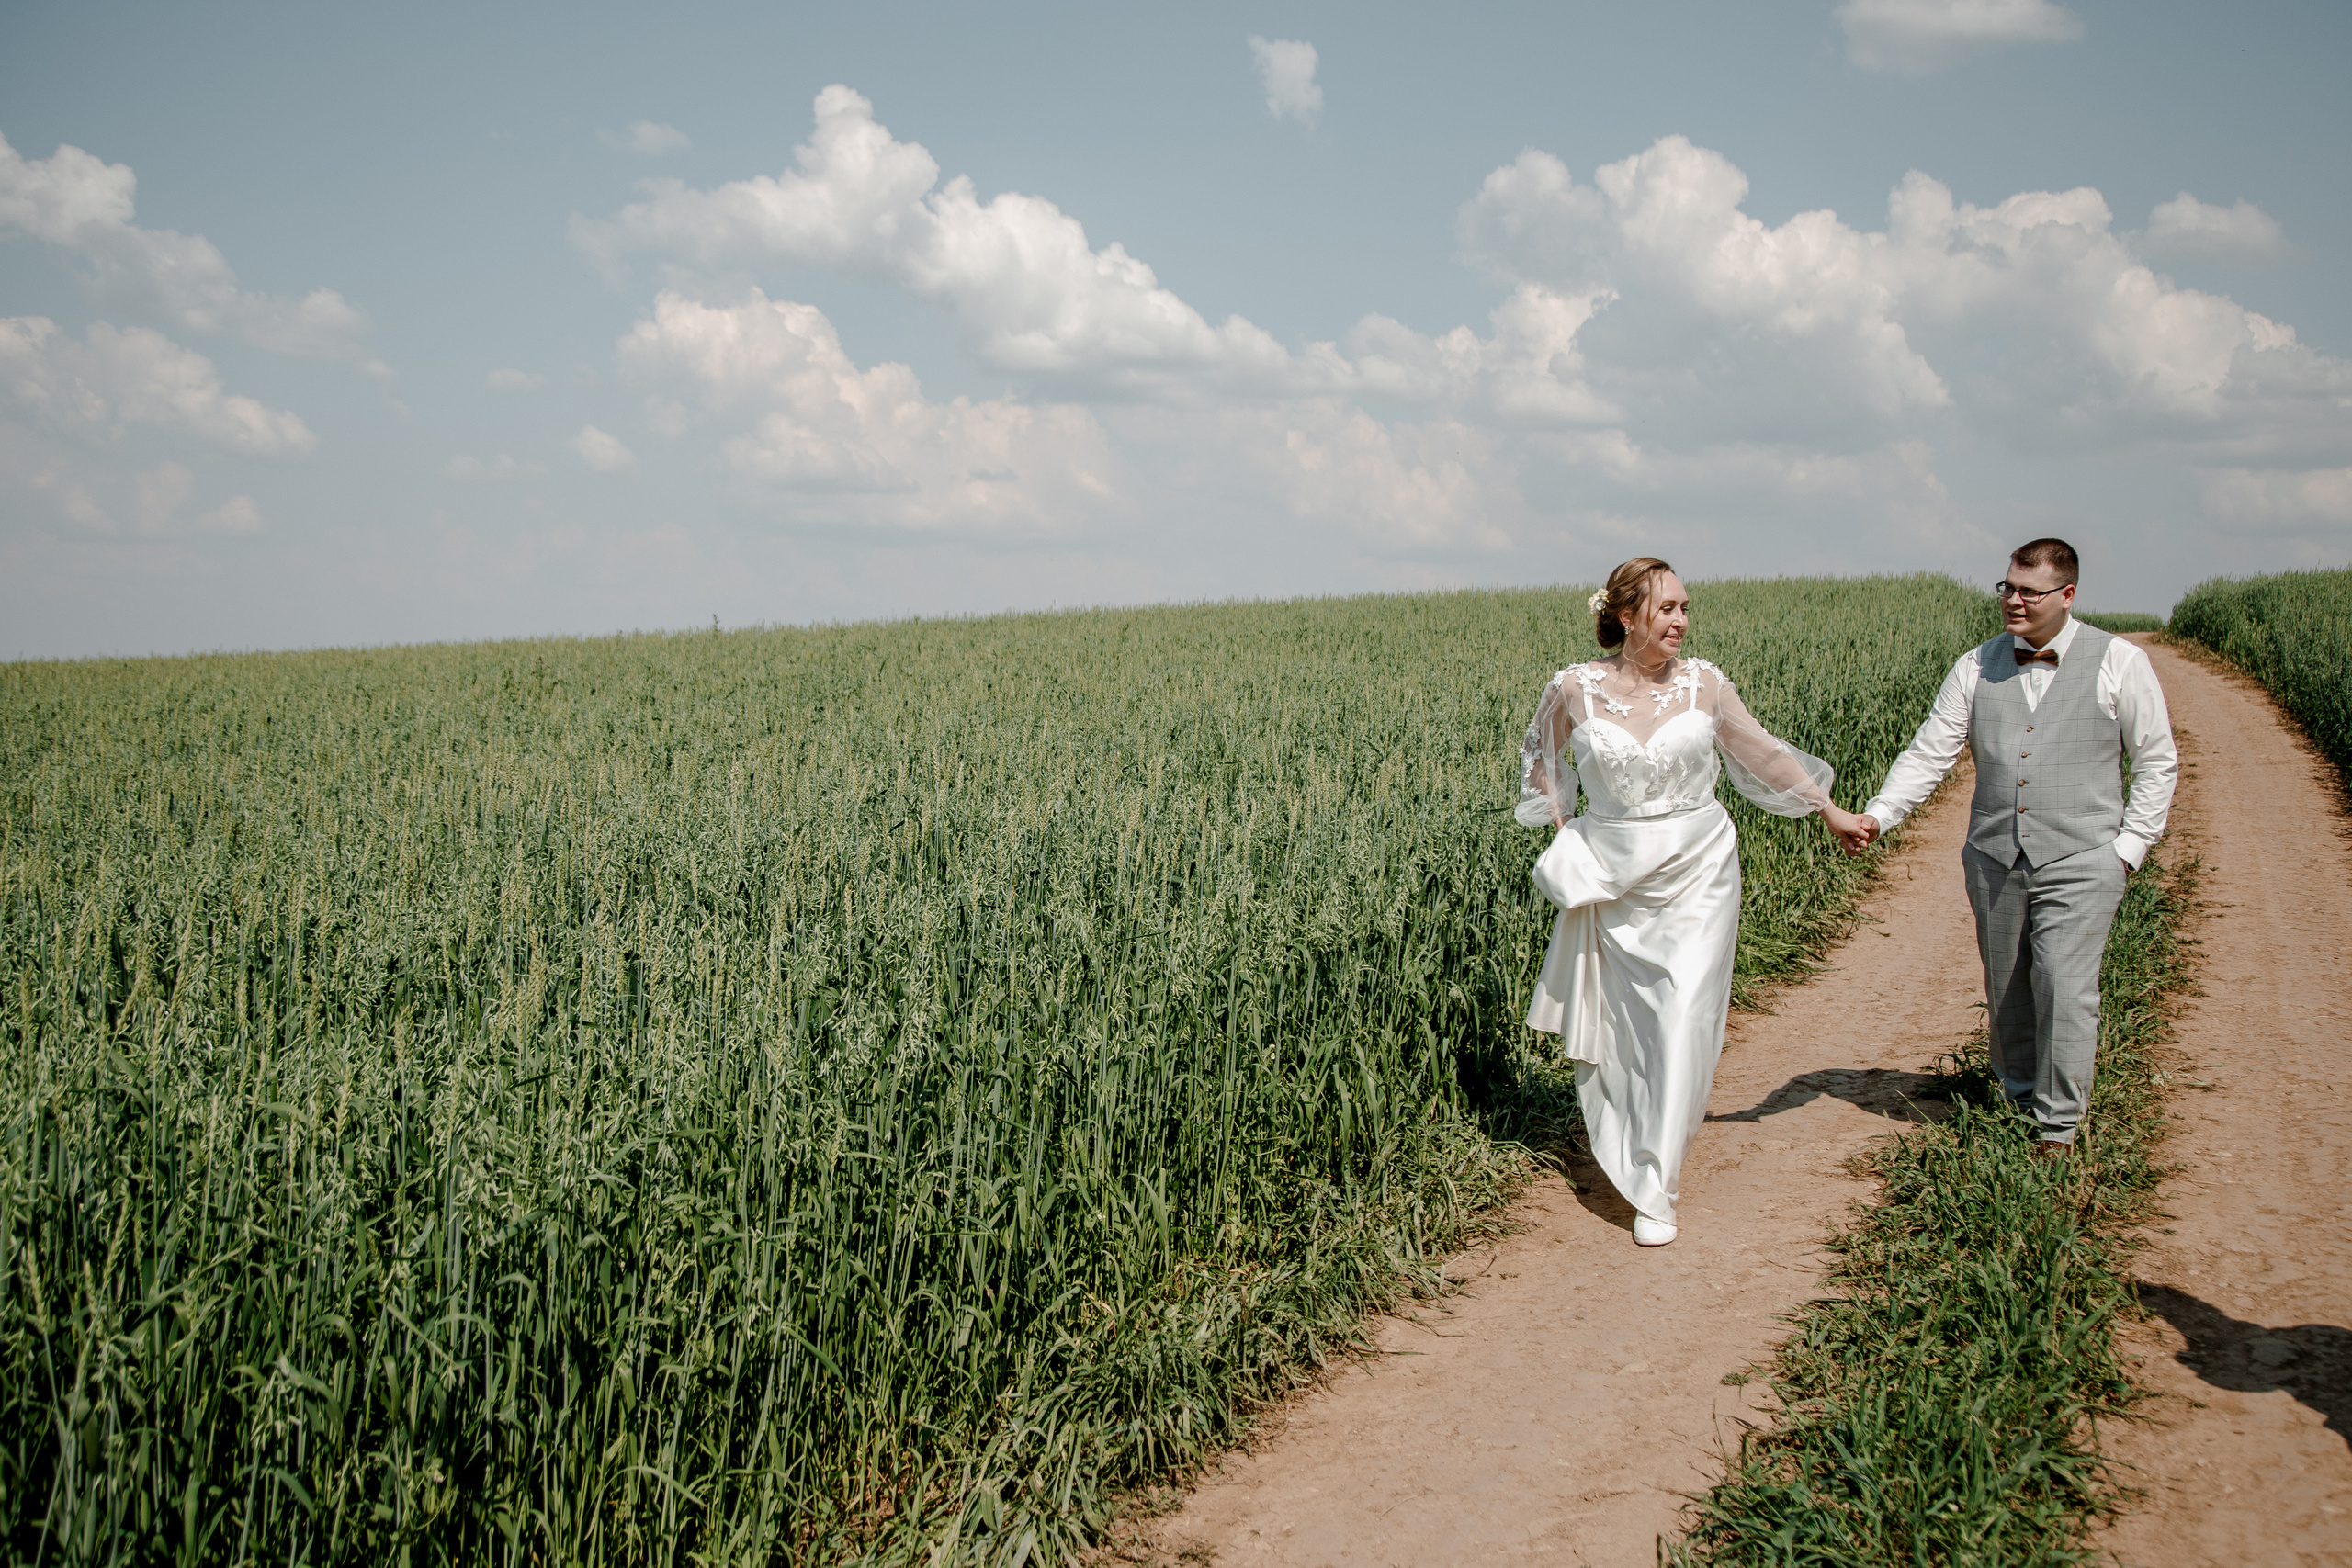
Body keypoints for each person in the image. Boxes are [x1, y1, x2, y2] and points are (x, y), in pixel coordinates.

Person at [1518, 558, 1875, 1246]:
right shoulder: (1574, 688)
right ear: (1626, 616)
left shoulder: (1706, 684)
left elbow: (1762, 754)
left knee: (1682, 1014)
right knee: (1624, 1026)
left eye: (1685, 608)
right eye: (1668, 609)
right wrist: (1565, 830)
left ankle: (1655, 1184)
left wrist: (1827, 808)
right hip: (1613, 872)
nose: (1682, 621)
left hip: (1698, 865)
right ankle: (1622, 1130)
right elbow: (1542, 759)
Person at [1849, 538, 2177, 1156]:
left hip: (2085, 856)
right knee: (2008, 987)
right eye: (2008, 588)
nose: (2014, 601)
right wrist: (1880, 814)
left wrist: (2127, 848)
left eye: (2030, 591)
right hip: (1995, 856)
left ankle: (2058, 1129)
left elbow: (2157, 761)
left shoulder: (2120, 662)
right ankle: (2017, 1100)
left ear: (2068, 595)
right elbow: (1931, 752)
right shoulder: (1975, 665)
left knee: (2064, 984)